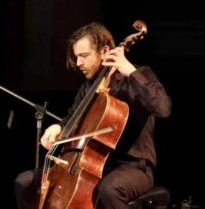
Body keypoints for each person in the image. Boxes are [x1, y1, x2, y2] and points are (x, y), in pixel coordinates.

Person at [14, 22, 171, 209]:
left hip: (132, 167)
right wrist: (59, 128)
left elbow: (163, 109)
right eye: (76, 57)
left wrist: (129, 71)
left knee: (109, 189)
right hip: (87, 165)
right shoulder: (88, 87)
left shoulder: (139, 75)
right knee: (25, 181)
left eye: (84, 56)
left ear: (105, 51)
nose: (78, 63)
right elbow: (72, 118)